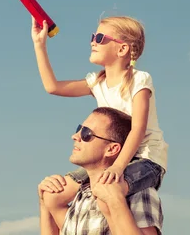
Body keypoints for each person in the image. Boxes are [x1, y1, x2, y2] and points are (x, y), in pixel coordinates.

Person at [31, 15, 168, 216]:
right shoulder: (97, 82)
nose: (93, 42)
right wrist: (39, 44)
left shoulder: (140, 80)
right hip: (110, 160)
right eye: (93, 36)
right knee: (53, 196)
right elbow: (53, 87)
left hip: (145, 159)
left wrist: (118, 167)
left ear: (122, 49)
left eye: (100, 38)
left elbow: (138, 129)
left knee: (107, 191)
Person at [38, 107, 164, 234]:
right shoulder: (81, 197)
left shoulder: (138, 192)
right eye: (79, 129)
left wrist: (115, 202)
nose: (75, 136)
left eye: (86, 134)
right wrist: (44, 203)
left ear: (111, 149)